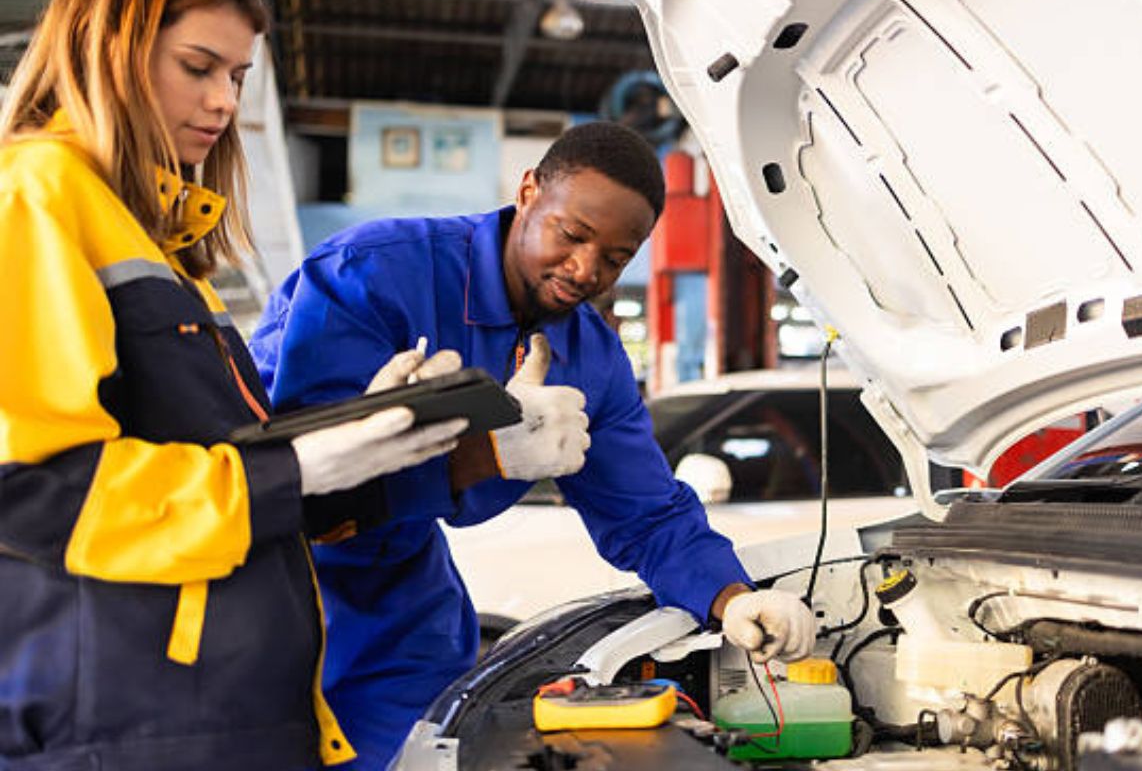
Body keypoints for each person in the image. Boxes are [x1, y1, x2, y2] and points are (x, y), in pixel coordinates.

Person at [0, 0, 470, 768]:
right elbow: (28, 488)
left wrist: (353, 436)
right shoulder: (38, 194)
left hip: (212, 714)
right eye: (198, 66)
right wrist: (287, 472)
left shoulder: (159, 246)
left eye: (239, 77)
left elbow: (202, 456)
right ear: (108, 49)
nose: (224, 102)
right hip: (131, 725)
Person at [250, 122, 818, 769]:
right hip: (277, 589)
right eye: (571, 236)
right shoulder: (373, 276)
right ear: (528, 192)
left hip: (402, 617)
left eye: (616, 258)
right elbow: (300, 491)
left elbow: (648, 514)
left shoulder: (590, 358)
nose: (585, 270)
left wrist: (734, 598)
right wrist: (481, 456)